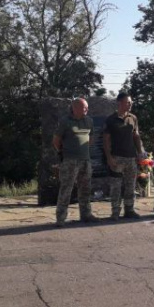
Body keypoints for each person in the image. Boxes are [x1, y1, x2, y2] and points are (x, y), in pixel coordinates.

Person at [53, 97, 98, 227]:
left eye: (87, 108)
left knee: (85, 189)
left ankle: (86, 215)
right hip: (70, 161)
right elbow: (56, 141)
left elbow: (91, 139)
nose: (87, 110)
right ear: (75, 108)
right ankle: (60, 218)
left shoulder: (89, 121)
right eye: (84, 107)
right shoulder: (65, 121)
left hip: (85, 160)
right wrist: (63, 153)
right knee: (66, 189)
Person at [103, 92, 145, 220]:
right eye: (128, 102)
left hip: (131, 158)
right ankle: (115, 212)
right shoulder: (110, 120)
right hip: (117, 158)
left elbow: (136, 136)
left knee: (130, 186)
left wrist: (140, 152)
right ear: (119, 103)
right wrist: (109, 158)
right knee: (116, 186)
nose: (130, 104)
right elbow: (106, 141)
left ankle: (129, 210)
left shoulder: (133, 118)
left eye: (131, 102)